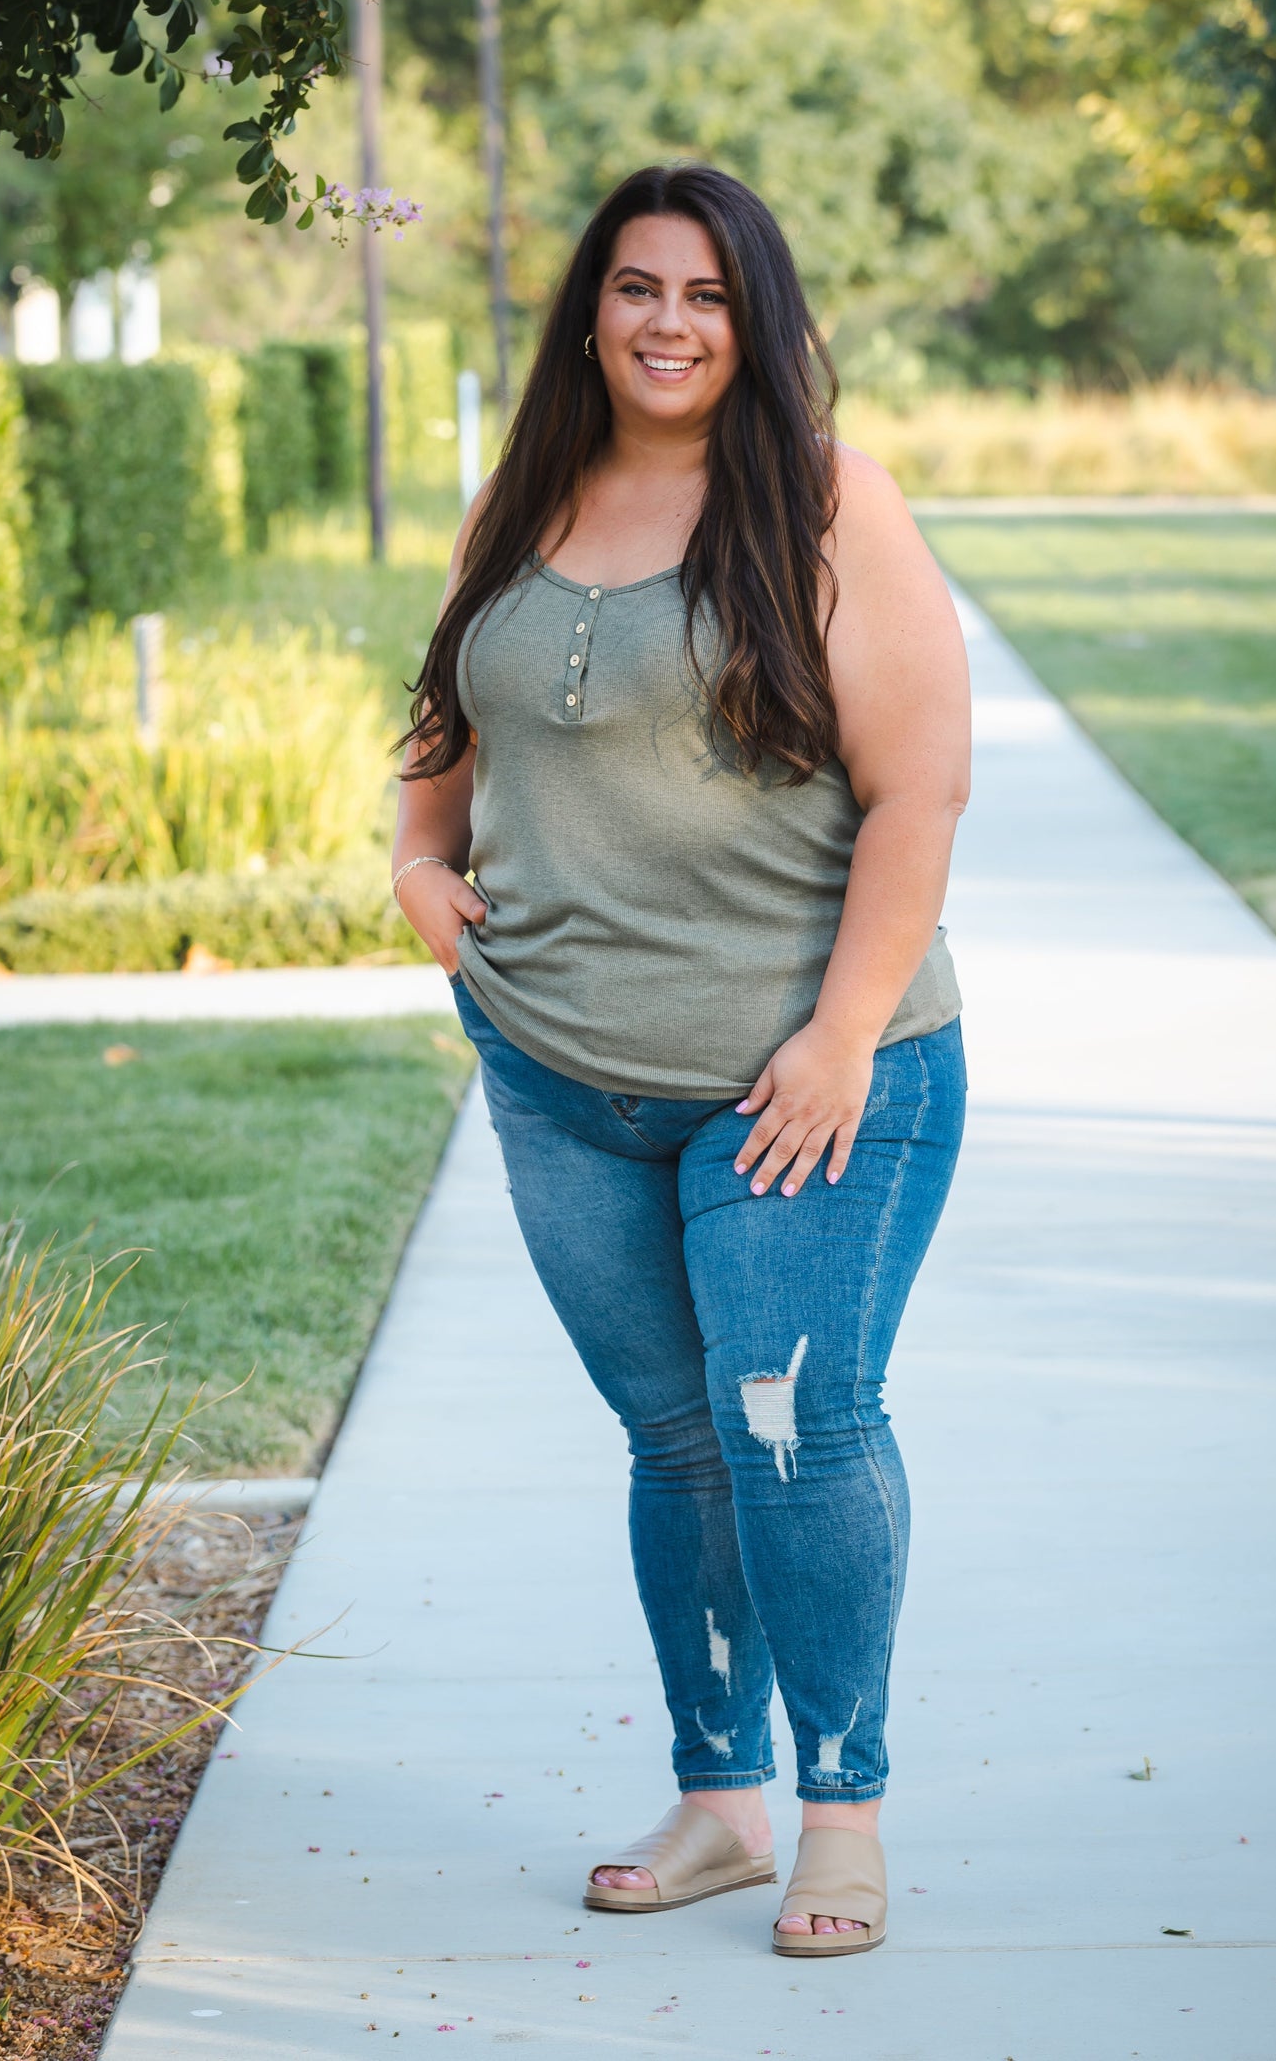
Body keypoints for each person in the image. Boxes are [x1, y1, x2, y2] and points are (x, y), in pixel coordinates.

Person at [390, 162, 969, 1957]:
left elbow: (919, 790)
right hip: (562, 1079)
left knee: (794, 1433)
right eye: (636, 288)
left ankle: (841, 1817)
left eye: (706, 296)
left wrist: (841, 1037)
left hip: (806, 1088)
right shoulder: (522, 494)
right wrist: (419, 860)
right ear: (591, 310)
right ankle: (717, 1801)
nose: (666, 323)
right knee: (675, 1441)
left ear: (758, 321)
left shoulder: (820, 502)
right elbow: (448, 706)